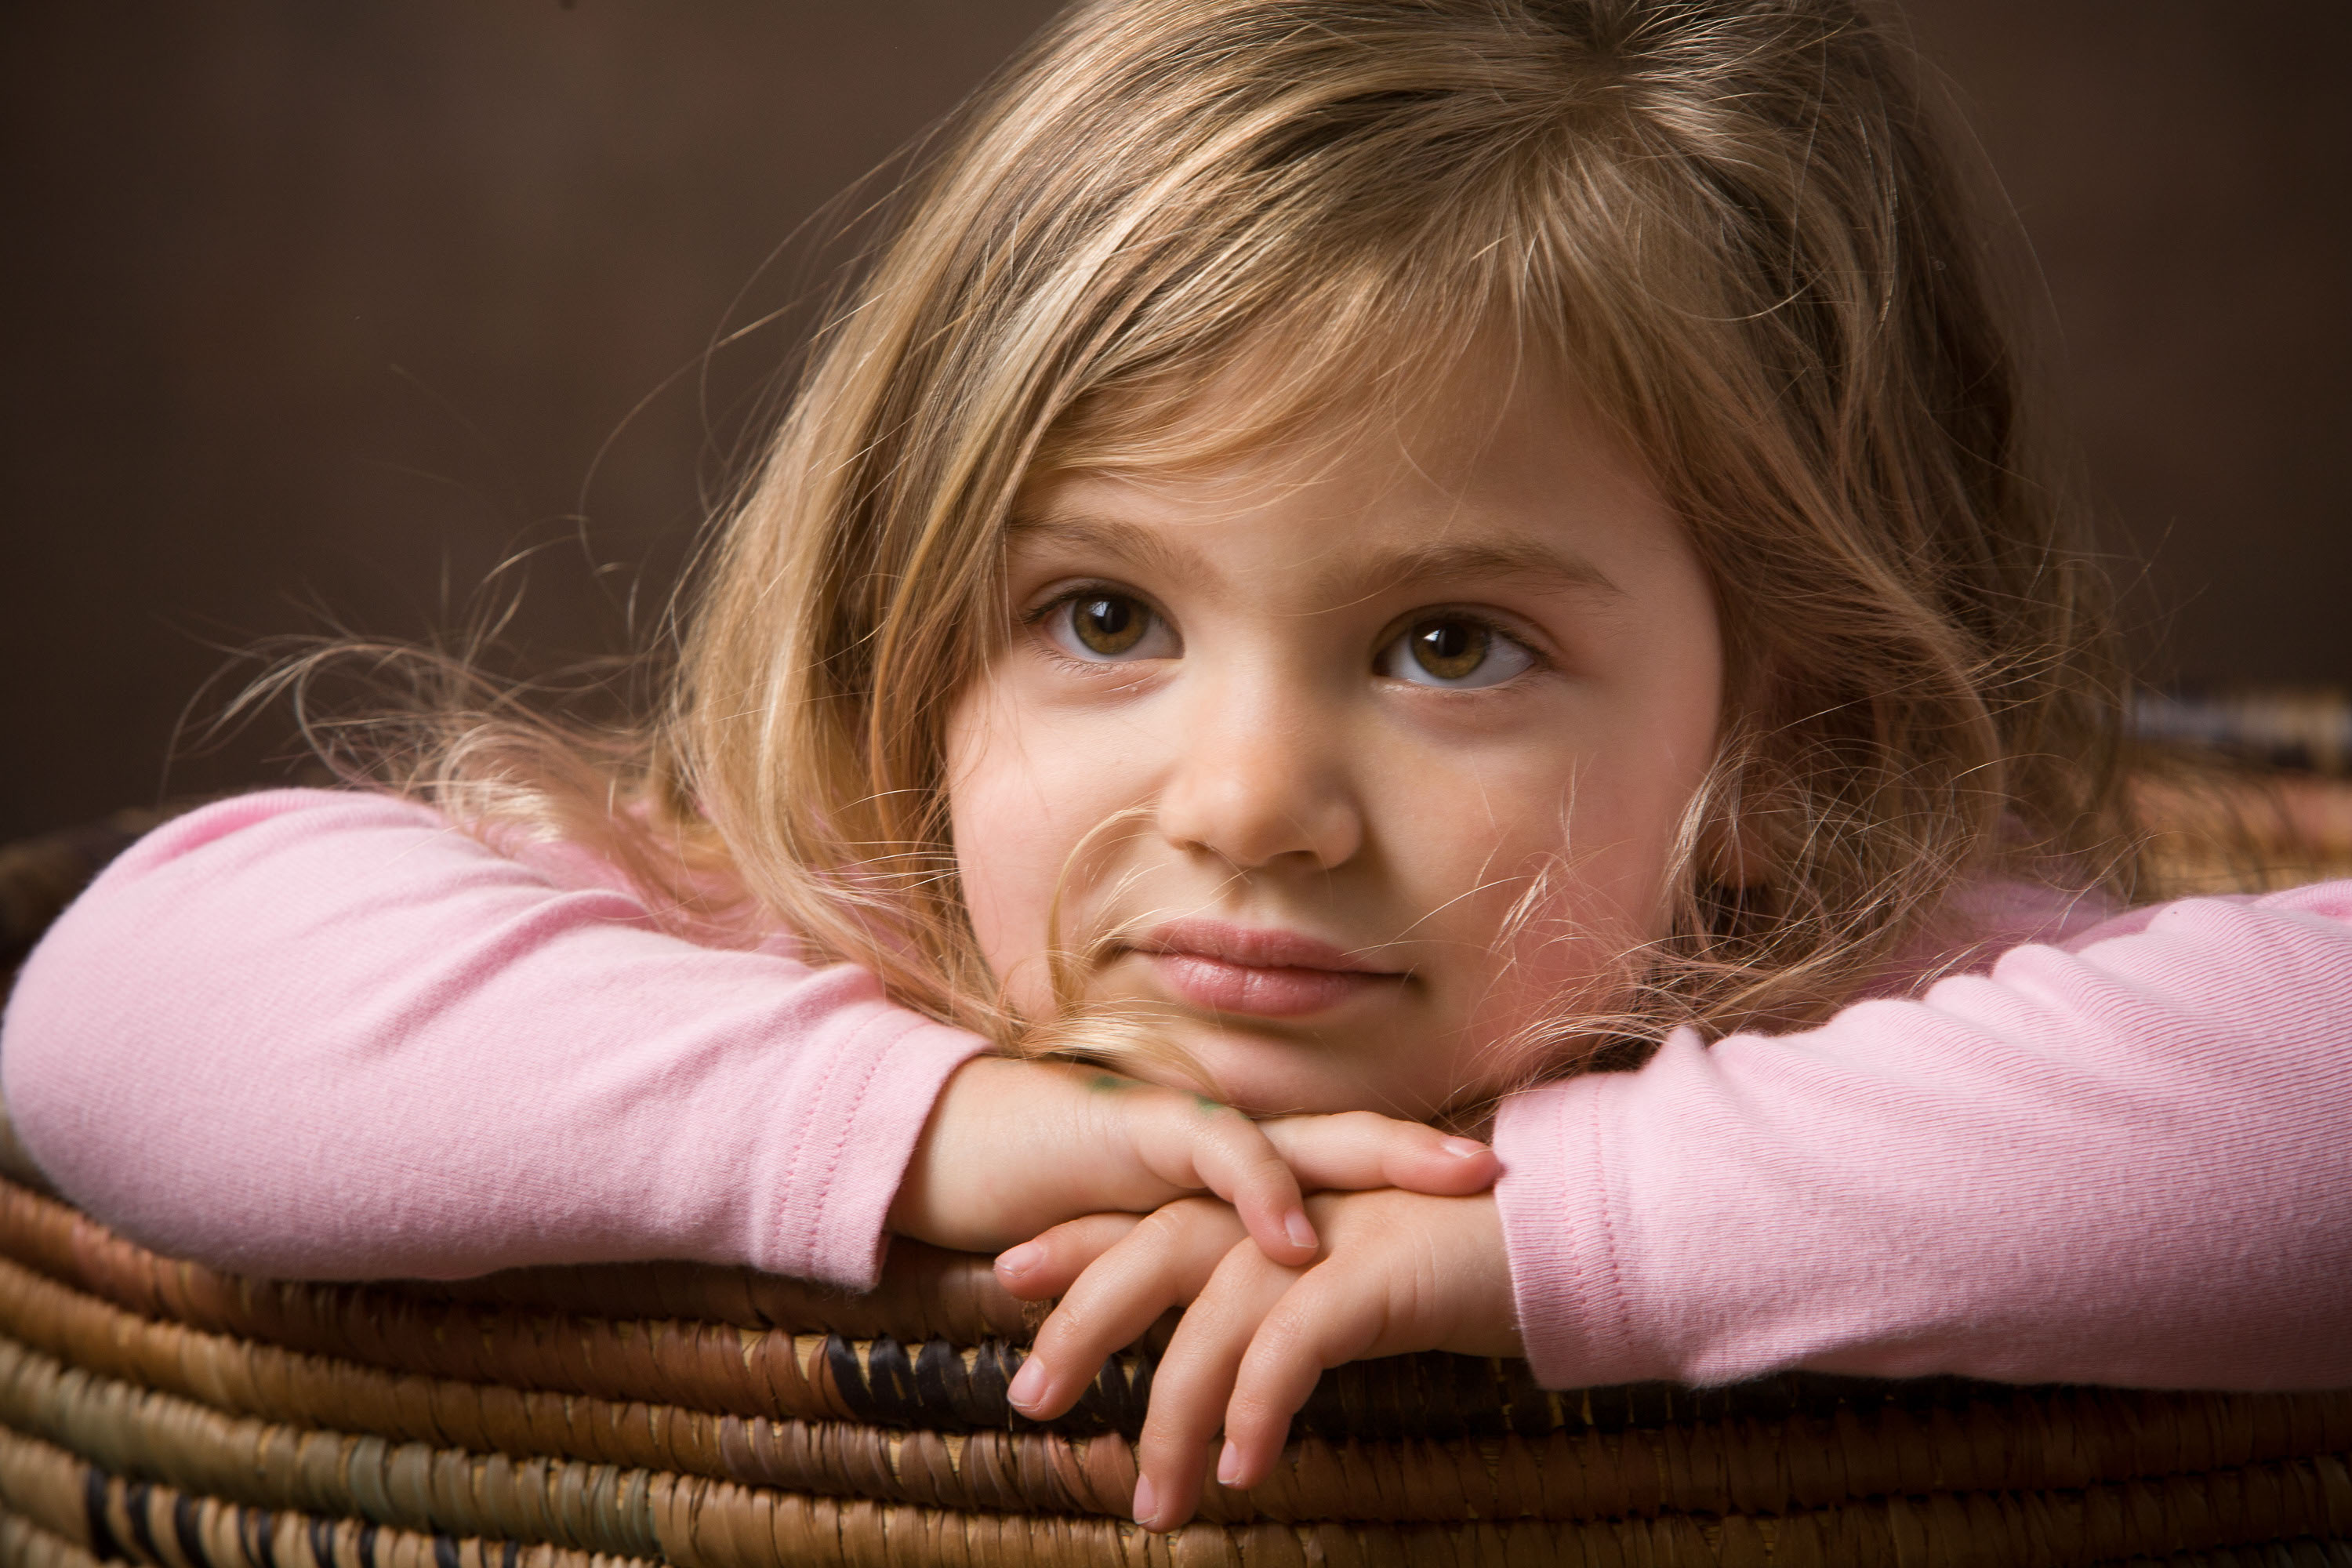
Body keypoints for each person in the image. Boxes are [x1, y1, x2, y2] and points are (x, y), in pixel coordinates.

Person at [5, 0, 2349, 1536]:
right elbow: (119, 999)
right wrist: (923, 1125)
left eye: (1452, 644)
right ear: (914, 634)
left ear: (1781, 728)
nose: (1246, 802)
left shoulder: (1820, 986)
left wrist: (1565, 1223)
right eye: (1103, 617)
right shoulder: (853, 916)